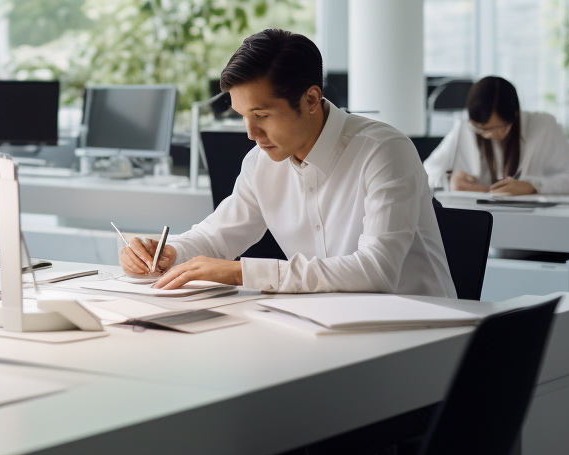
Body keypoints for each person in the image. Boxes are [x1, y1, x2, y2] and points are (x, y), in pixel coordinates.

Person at [121, 28, 455, 297]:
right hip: (326, 325)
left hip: (418, 333)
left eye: (262, 115)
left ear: (310, 99)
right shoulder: (261, 163)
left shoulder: (383, 151)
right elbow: (215, 237)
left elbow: (376, 271)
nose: (251, 133)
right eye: (243, 117)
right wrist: (169, 253)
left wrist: (241, 272)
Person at [422, 76, 569, 196]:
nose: (490, 135)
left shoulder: (543, 126)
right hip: (480, 219)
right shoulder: (465, 128)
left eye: (500, 128)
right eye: (483, 129)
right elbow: (426, 172)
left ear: (515, 115)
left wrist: (533, 186)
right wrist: (449, 181)